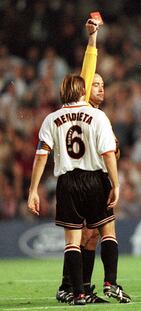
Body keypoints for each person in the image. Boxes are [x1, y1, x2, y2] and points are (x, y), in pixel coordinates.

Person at [27, 74, 131, 305]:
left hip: (67, 182)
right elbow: (108, 154)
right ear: (83, 91)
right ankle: (110, 282)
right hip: (95, 179)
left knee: (73, 242)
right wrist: (116, 184)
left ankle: (78, 294)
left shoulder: (51, 119)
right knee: (107, 233)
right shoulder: (97, 116)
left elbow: (41, 156)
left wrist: (33, 189)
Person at [55, 17, 110, 304]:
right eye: (95, 84)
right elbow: (87, 70)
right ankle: (72, 286)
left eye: (102, 84)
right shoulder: (85, 108)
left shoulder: (100, 116)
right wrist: (92, 39)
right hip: (81, 179)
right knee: (83, 236)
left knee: (90, 236)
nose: (98, 87)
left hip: (95, 178)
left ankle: (81, 287)